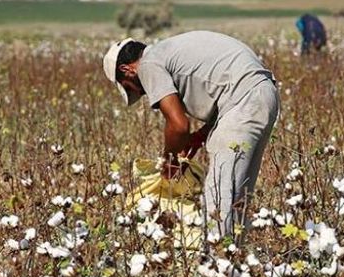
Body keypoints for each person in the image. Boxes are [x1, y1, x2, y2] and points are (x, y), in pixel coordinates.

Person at [102, 31, 279, 238]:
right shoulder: (167, 51)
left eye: (130, 89)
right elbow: (222, 86)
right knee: (238, 197)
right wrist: (201, 135)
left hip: (243, 101)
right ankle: (235, 261)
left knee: (219, 200)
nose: (141, 93)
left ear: (127, 70)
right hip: (265, 95)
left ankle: (216, 262)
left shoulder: (148, 64)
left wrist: (169, 162)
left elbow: (178, 125)